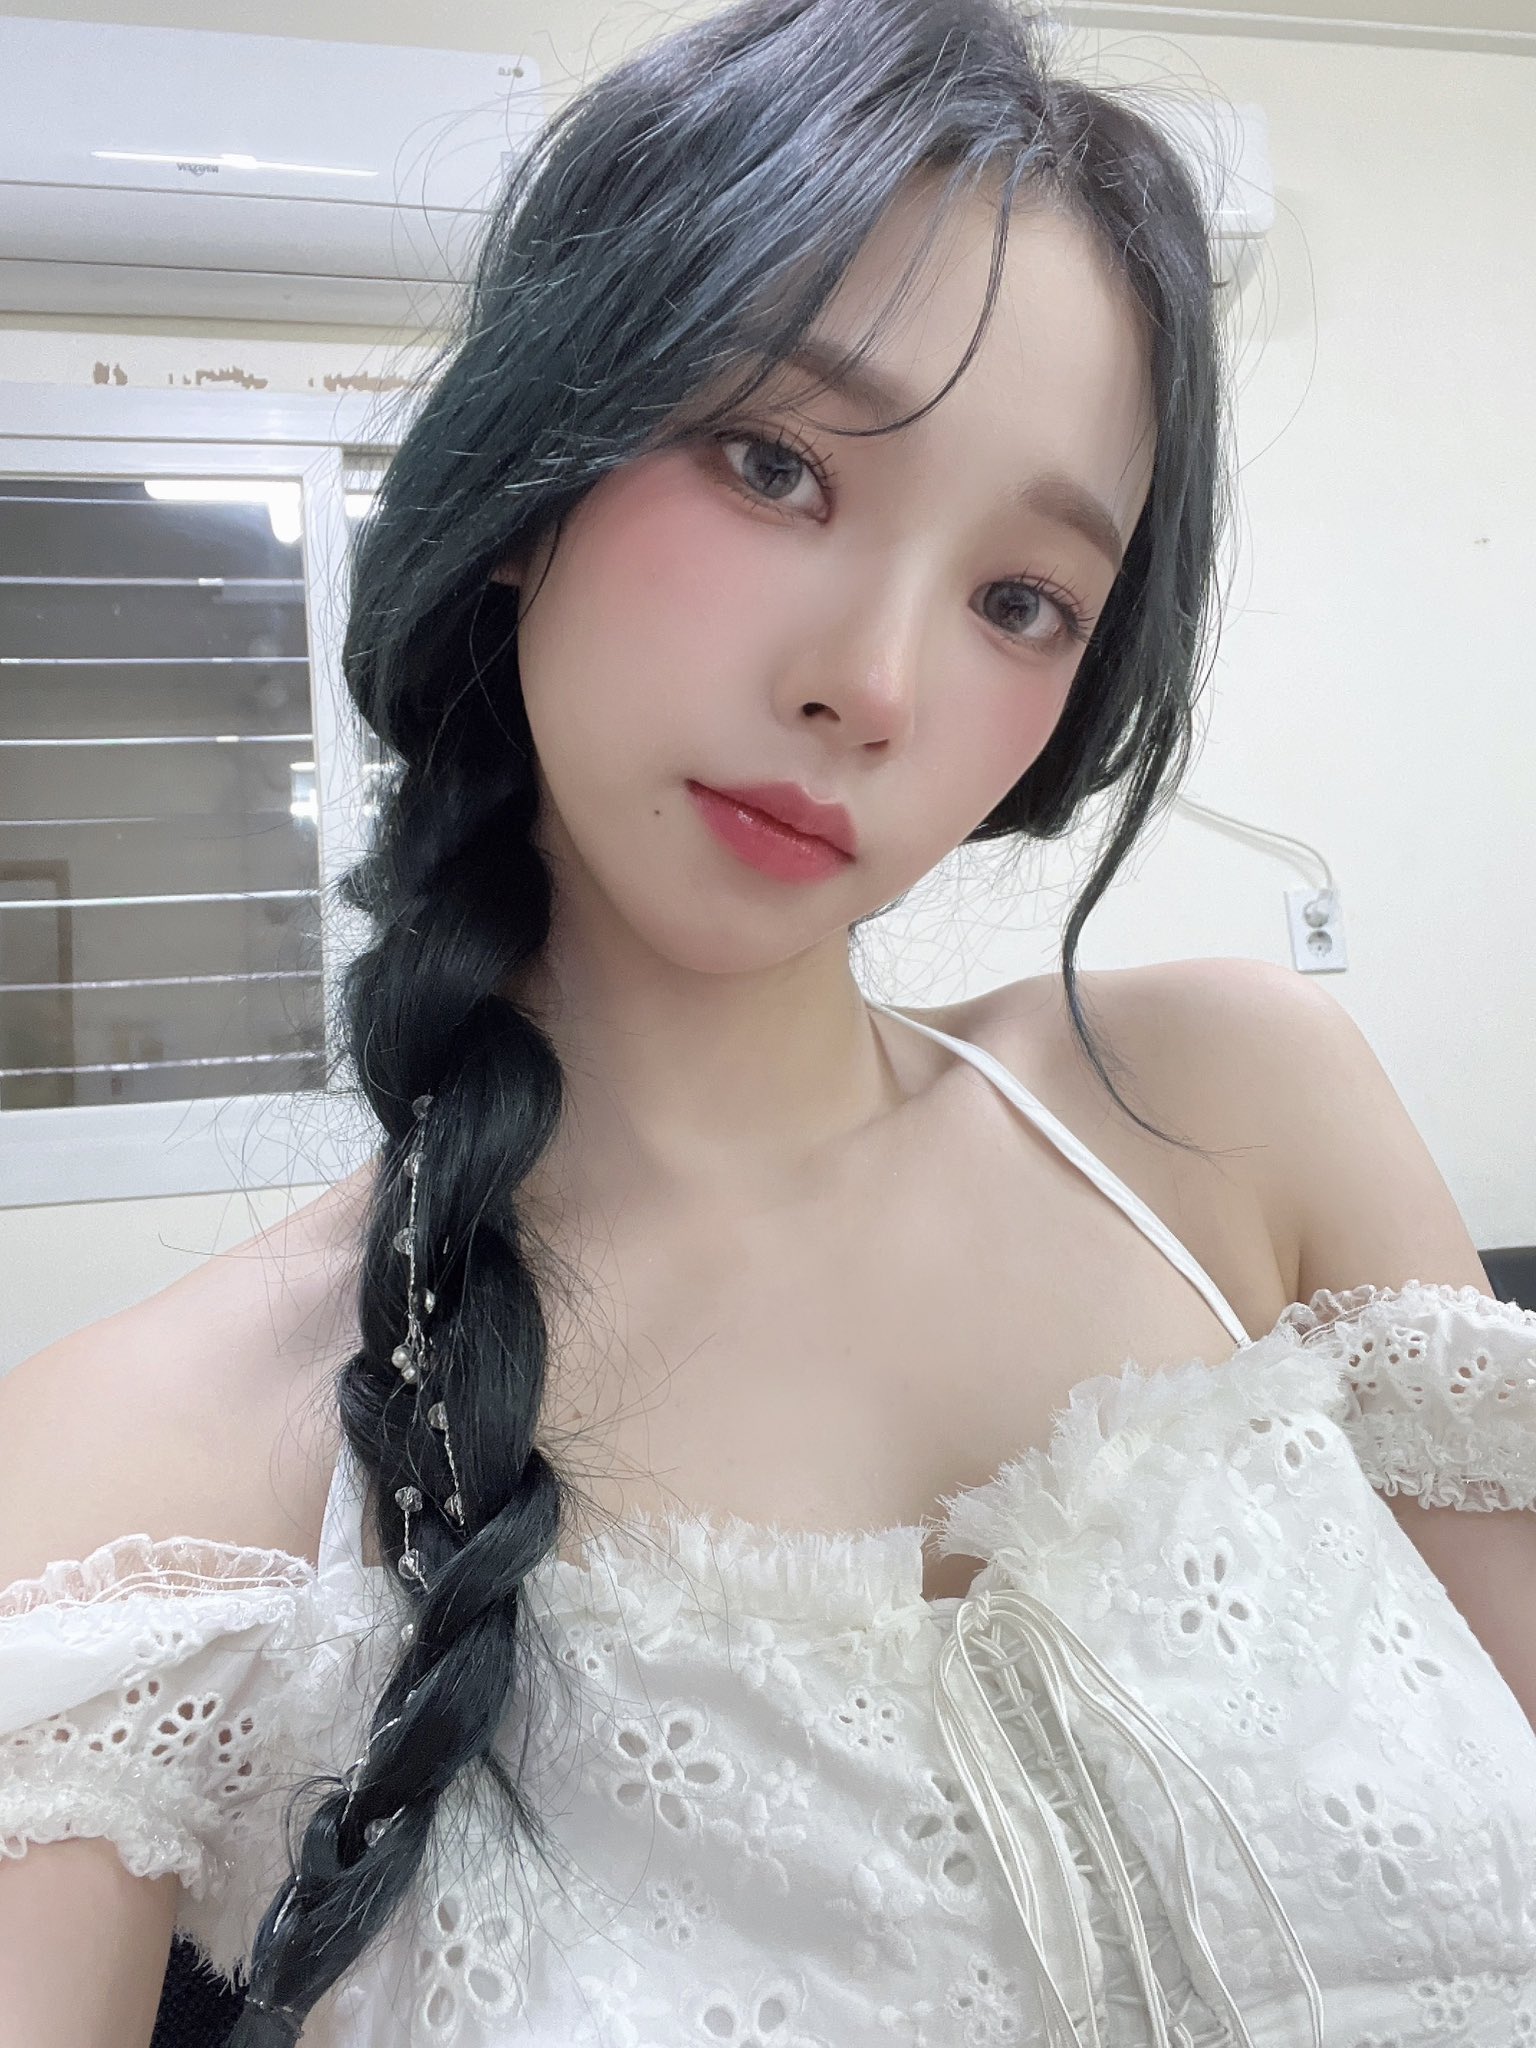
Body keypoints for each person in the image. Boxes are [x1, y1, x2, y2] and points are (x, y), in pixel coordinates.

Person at [3, 0, 1534, 2042]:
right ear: (533, 472)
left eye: (1020, 600)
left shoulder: (1234, 1115)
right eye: (774, 463)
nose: (872, 685)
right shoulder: (152, 1466)